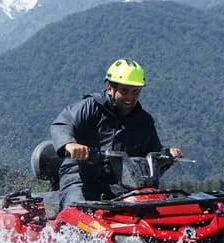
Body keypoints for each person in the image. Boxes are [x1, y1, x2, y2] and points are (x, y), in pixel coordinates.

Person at [50, 58, 182, 208]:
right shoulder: (91, 107)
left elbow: (152, 159)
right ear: (110, 88)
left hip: (122, 184)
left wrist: (167, 157)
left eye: (135, 91)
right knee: (79, 211)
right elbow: (62, 124)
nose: (130, 97)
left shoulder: (144, 121)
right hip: (80, 178)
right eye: (125, 90)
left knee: (155, 212)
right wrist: (70, 144)